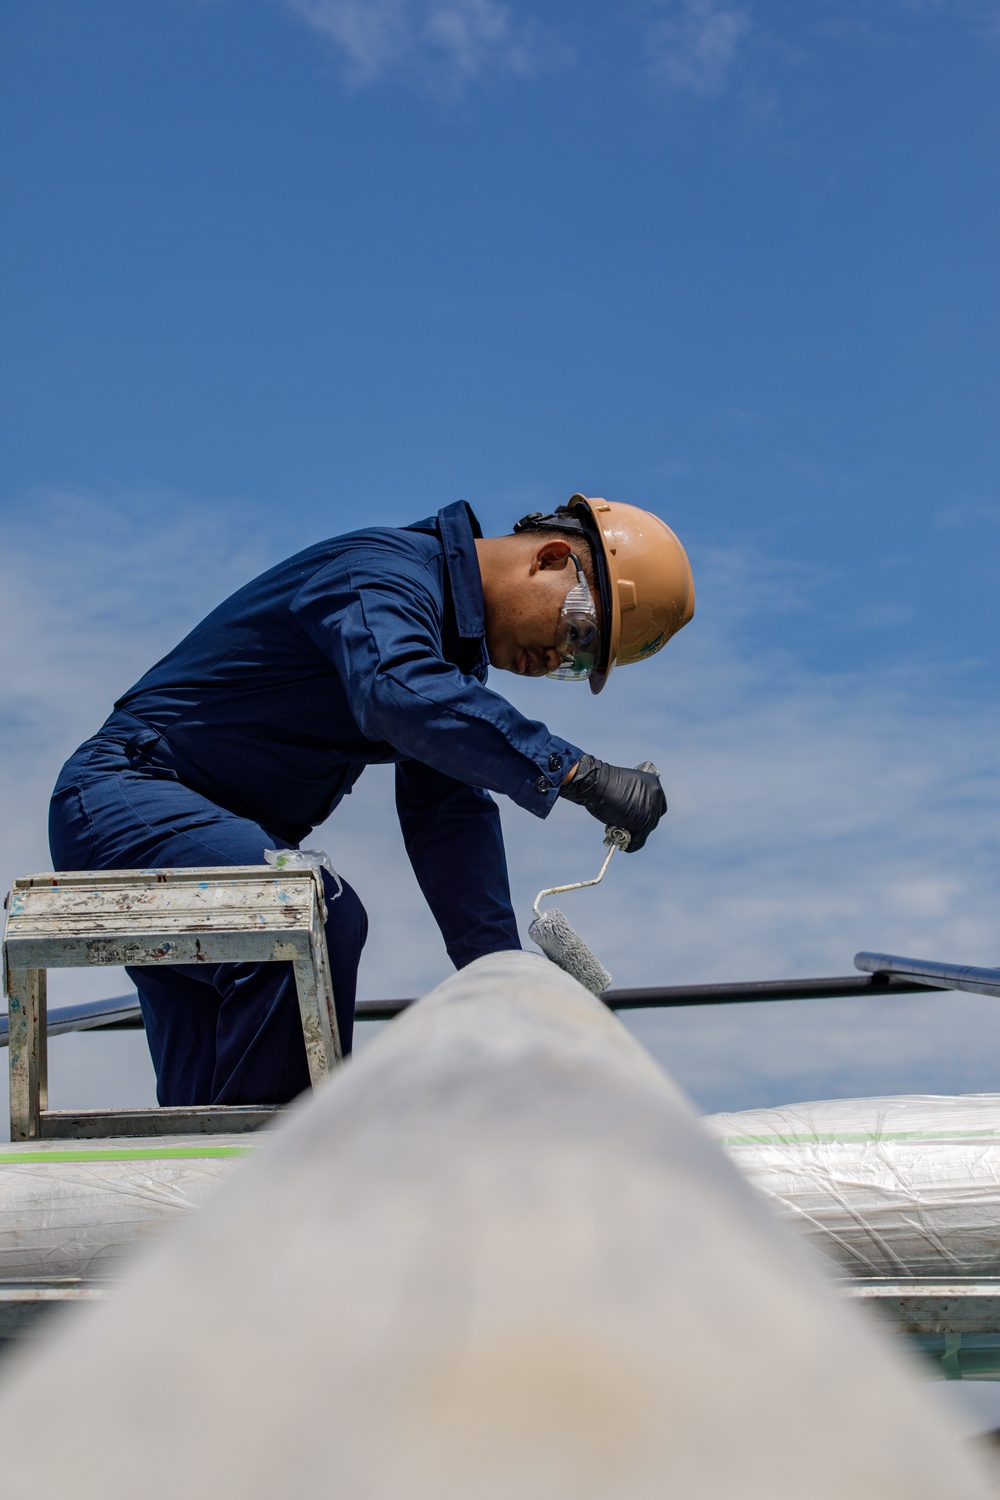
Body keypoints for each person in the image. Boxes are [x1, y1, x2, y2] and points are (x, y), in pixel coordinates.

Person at [48, 493, 694, 1107]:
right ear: (552, 558)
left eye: (575, 668)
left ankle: (209, 1194)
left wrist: (494, 969)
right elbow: (394, 690)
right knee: (307, 918)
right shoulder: (380, 575)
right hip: (131, 795)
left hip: (210, 838)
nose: (555, 658)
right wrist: (576, 771)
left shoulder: (443, 658)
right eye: (577, 634)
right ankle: (286, 1168)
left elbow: (448, 813)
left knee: (198, 1109)